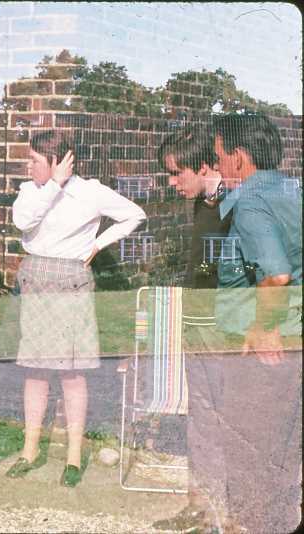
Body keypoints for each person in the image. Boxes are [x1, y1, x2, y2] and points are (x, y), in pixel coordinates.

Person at [7, 130, 145, 487]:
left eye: (34, 160)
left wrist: (98, 244)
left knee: (72, 372)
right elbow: (24, 222)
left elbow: (134, 215)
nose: (28, 166)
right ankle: (29, 451)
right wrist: (53, 185)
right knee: (35, 370)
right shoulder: (30, 192)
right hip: (36, 279)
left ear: (57, 161)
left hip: (72, 281)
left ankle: (72, 458)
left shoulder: (90, 192)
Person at [210, 112, 302, 533]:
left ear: (239, 157)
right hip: (293, 343)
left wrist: (263, 326)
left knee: (249, 453)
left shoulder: (250, 202)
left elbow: (276, 275)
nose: (217, 167)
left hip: (263, 351)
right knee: (282, 454)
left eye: (219, 158)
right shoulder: (292, 189)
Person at [151, 126, 232, 531]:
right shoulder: (203, 201)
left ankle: (225, 516)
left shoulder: (237, 204)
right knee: (200, 418)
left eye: (176, 173)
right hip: (197, 324)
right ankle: (198, 508)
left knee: (225, 420)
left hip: (224, 330)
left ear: (203, 167)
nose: (171, 182)